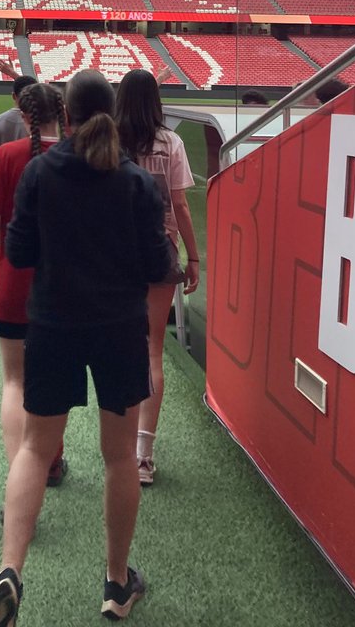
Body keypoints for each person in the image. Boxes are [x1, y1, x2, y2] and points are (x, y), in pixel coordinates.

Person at [0, 70, 170, 627]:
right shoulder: (136, 181)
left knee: (36, 449)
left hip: (53, 325)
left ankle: (10, 570)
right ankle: (116, 583)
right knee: (118, 457)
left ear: (65, 114)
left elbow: (18, 250)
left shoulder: (41, 171)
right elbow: (159, 264)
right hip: (118, 328)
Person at [114, 68, 199, 488]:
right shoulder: (171, 142)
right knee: (151, 351)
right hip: (159, 249)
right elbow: (180, 205)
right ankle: (142, 455)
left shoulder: (106, 139)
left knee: (115, 347)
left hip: (113, 254)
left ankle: (118, 446)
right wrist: (195, 257)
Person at [0, 82, 68, 493]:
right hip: (66, 288)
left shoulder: (9, 154)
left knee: (14, 381)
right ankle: (50, 460)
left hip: (16, 282)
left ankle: (21, 473)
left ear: (24, 115)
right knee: (53, 380)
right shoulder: (80, 156)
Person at [0, 75, 37, 307]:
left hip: (3, 186)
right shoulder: (43, 123)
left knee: (0, 235)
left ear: (13, 96)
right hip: (31, 189)